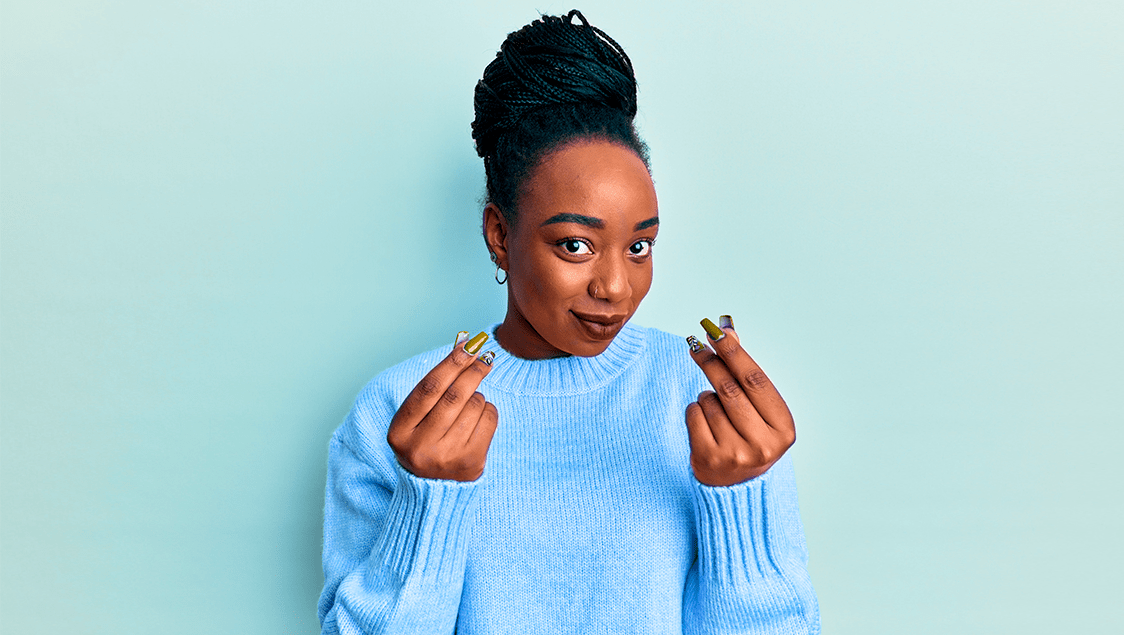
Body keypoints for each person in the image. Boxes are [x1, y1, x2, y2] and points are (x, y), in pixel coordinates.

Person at [318, 10, 820, 634]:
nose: (615, 286)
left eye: (640, 246)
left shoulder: (710, 405)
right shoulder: (396, 417)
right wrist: (431, 501)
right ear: (500, 234)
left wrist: (737, 499)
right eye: (575, 245)